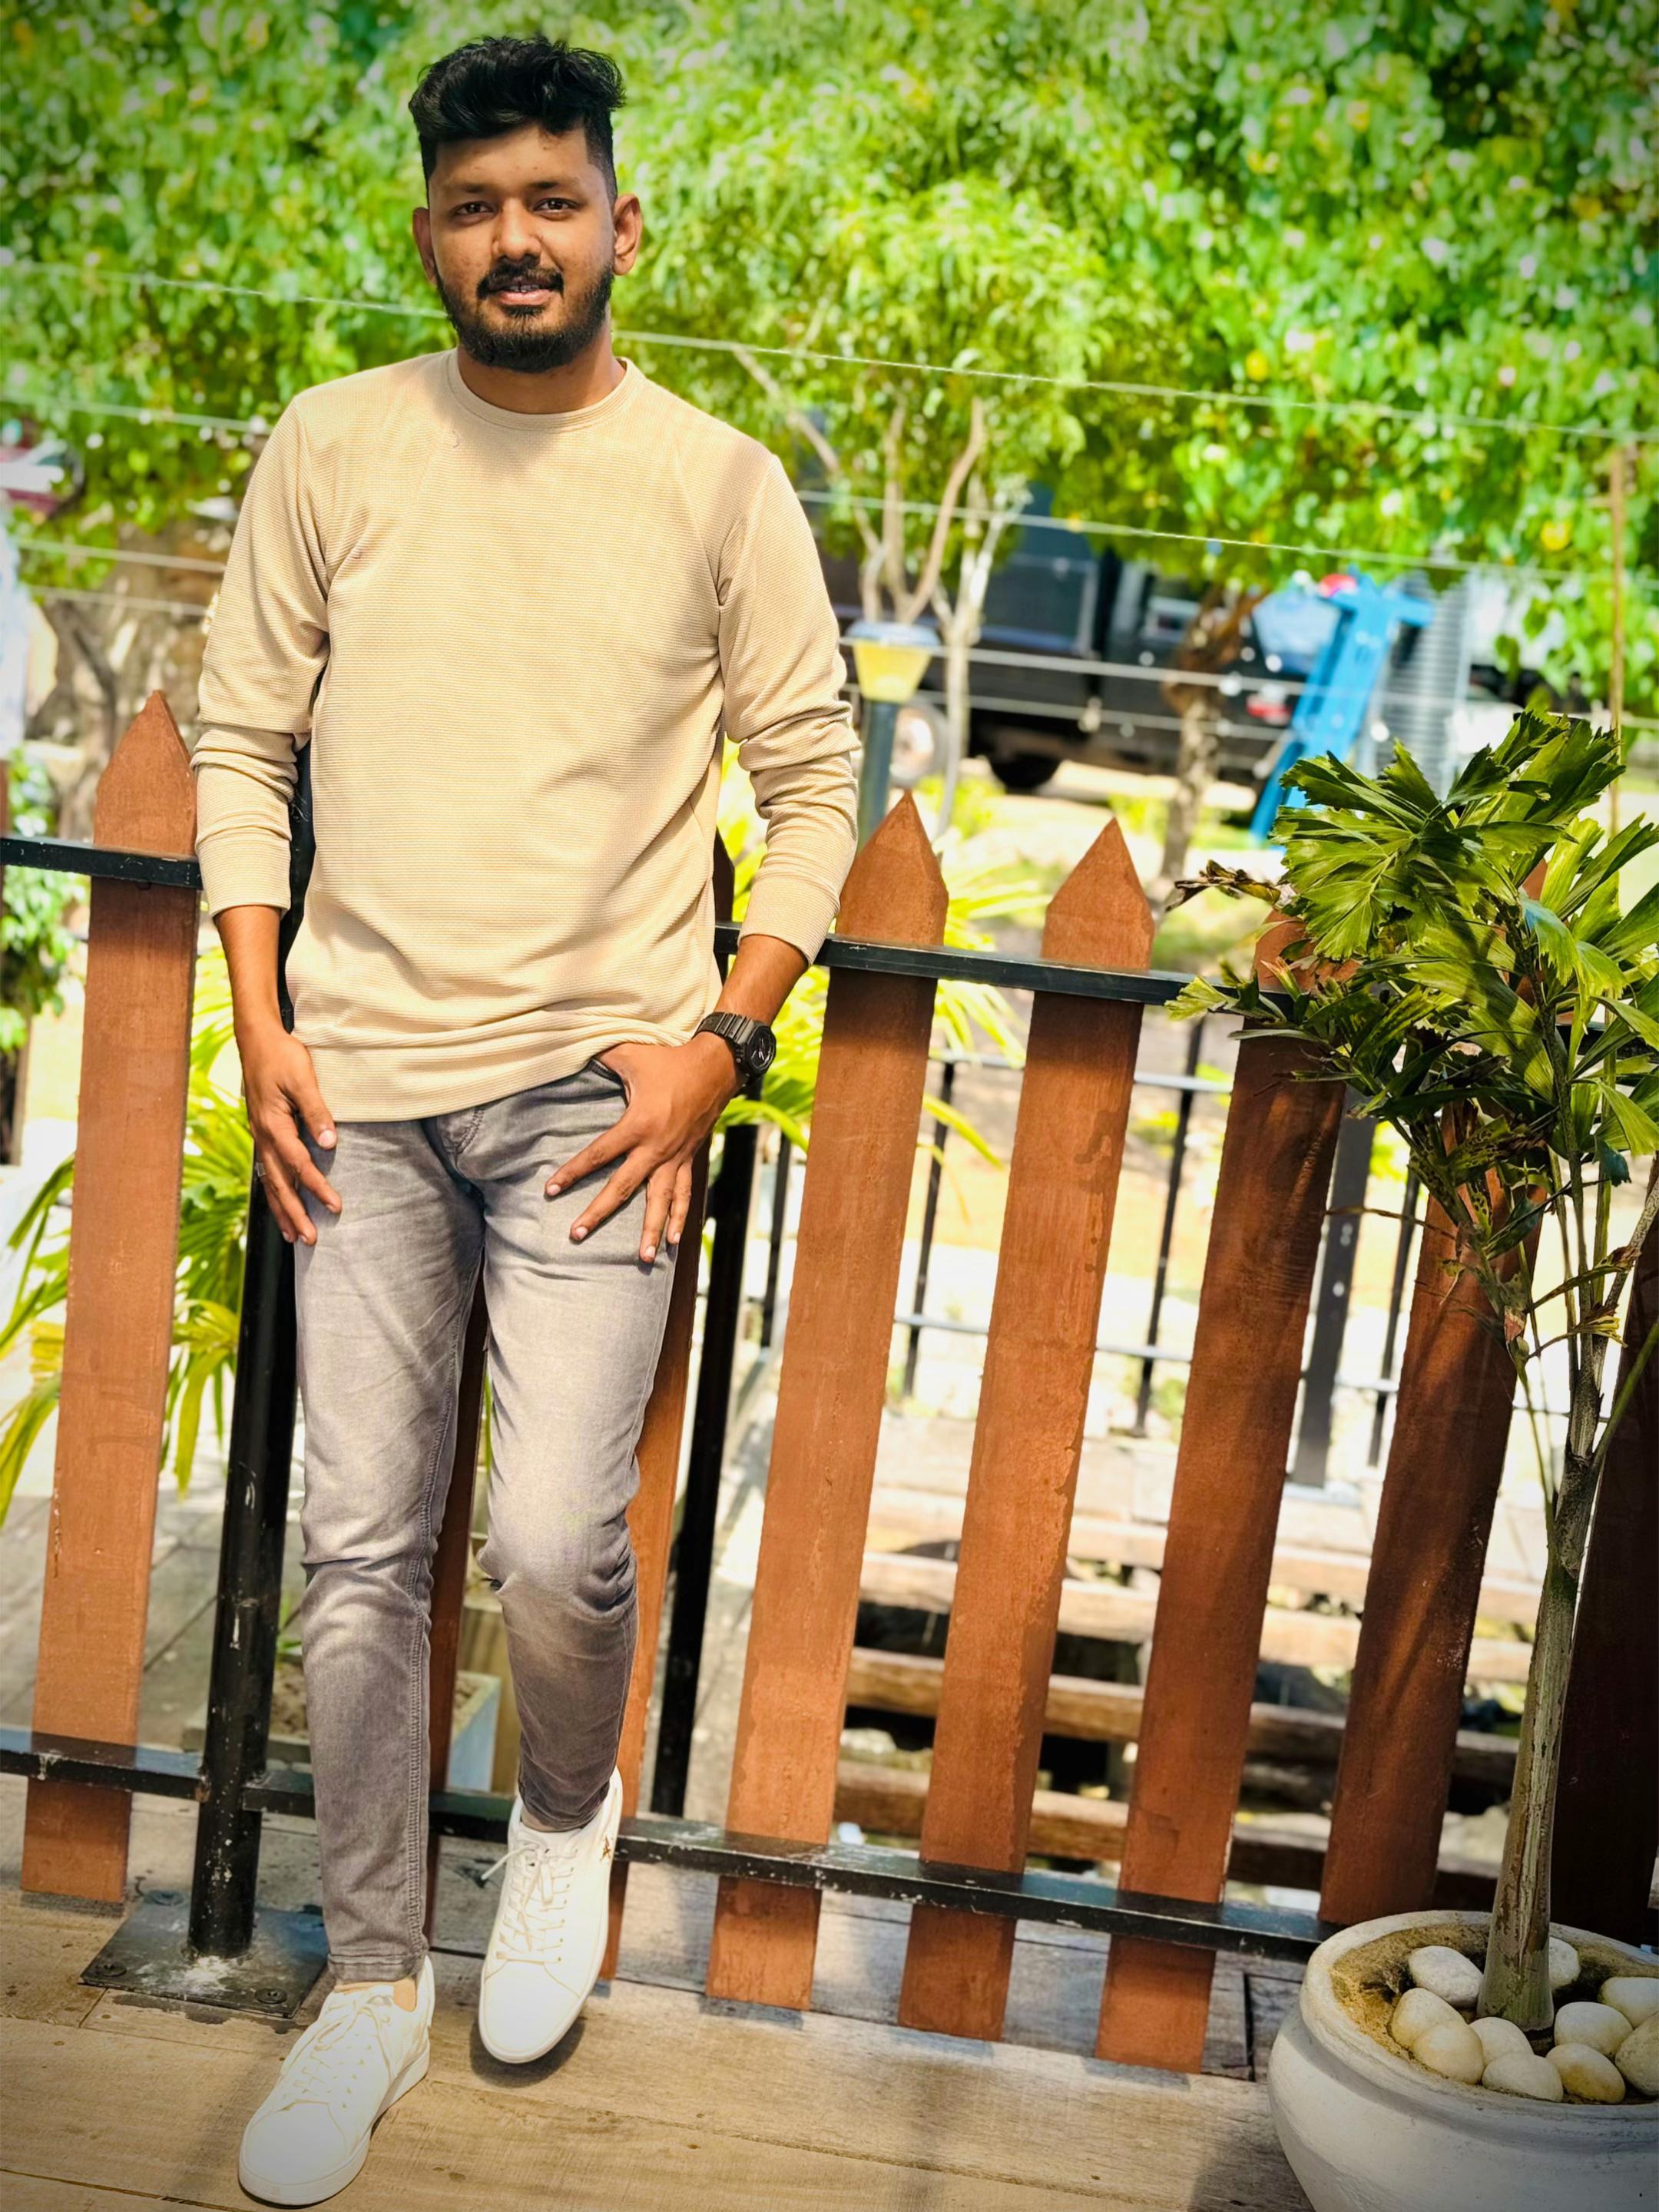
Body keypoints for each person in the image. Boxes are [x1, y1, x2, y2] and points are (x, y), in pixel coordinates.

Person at [190, 33, 859, 2207]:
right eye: (477, 208)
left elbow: (816, 785)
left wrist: (722, 1041)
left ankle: (566, 1825)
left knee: (557, 1538)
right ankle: (374, 1982)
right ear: (430, 237)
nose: (516, 240)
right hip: (362, 1091)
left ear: (619, 224)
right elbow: (239, 740)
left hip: (601, 1093)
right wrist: (261, 1020)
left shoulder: (717, 486)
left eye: (551, 202)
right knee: (360, 1557)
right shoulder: (333, 445)